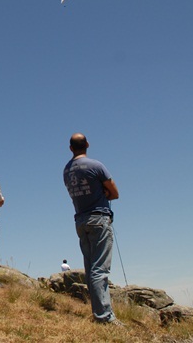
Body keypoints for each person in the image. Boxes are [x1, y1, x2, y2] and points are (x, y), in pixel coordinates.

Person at [63, 133, 121, 324]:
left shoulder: (67, 170)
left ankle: (99, 312)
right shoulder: (96, 166)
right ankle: (104, 317)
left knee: (91, 269)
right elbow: (114, 193)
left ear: (71, 148)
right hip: (99, 219)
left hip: (80, 220)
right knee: (100, 270)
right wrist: (102, 193)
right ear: (87, 144)